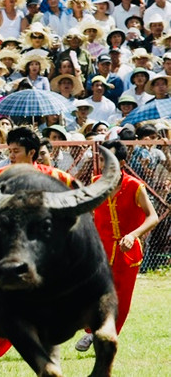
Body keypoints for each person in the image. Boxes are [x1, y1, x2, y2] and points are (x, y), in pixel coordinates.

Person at [74, 140, 159, 352]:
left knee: (120, 299)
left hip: (127, 252)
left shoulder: (134, 186)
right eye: (102, 159)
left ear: (121, 162)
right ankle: (91, 331)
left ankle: (103, 337)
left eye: (109, 159)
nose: (104, 164)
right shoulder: (96, 183)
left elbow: (153, 217)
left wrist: (133, 235)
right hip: (100, 250)